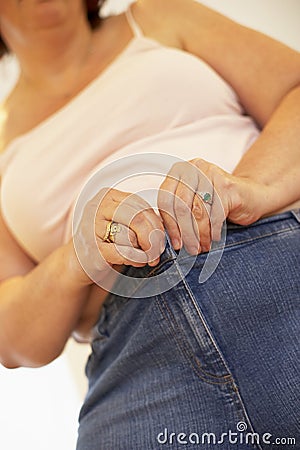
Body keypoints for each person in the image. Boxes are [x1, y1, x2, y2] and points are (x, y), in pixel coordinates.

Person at [0, 0, 299, 449]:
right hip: (135, 356)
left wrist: (249, 186)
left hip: (275, 269)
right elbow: (12, 336)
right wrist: (75, 258)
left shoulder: (159, 17)